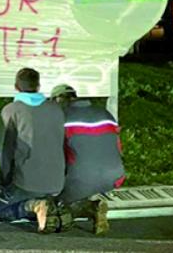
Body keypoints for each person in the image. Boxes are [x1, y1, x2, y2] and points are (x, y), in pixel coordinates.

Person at [0, 68, 66, 233]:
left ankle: (34, 206)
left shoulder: (11, 110)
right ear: (38, 86)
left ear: (16, 86)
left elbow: (5, 151)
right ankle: (62, 209)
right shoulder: (56, 109)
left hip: (26, 182)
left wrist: (5, 182)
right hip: (56, 182)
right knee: (43, 198)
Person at [51, 84, 123, 235]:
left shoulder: (62, 118)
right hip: (115, 176)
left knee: (56, 194)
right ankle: (95, 204)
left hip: (82, 179)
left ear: (59, 99)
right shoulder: (106, 114)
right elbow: (118, 148)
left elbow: (54, 156)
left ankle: (84, 208)